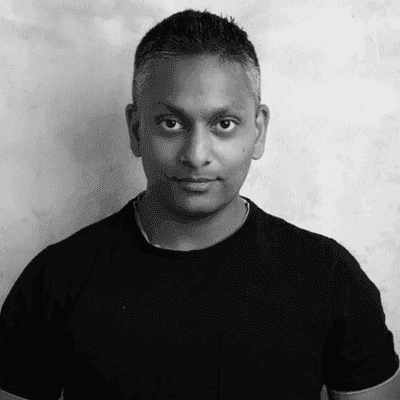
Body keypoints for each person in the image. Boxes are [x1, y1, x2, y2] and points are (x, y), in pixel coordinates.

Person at [0, 8, 399, 400]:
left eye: (224, 124)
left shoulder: (327, 276)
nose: (195, 155)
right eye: (171, 123)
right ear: (136, 130)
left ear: (258, 131)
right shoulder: (56, 280)